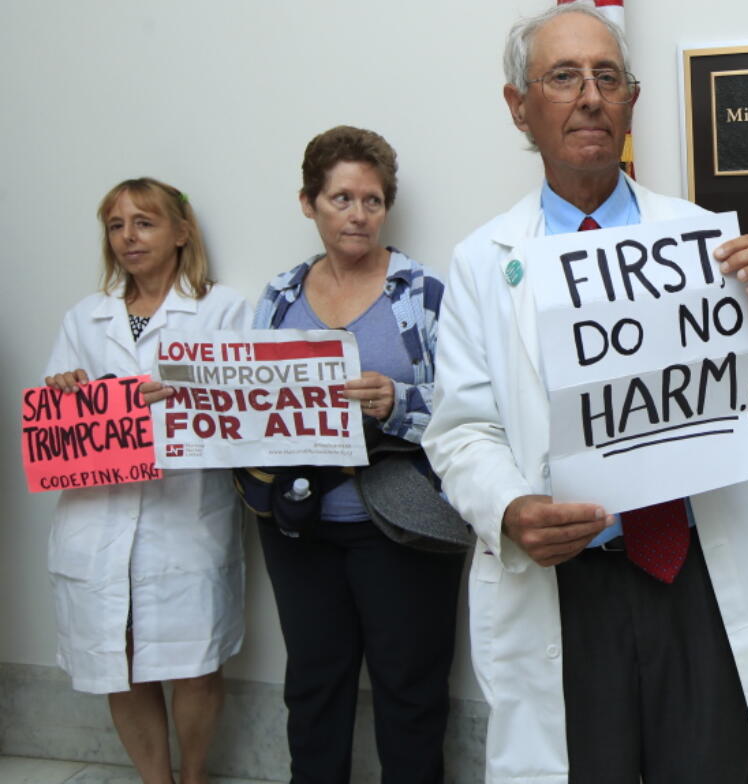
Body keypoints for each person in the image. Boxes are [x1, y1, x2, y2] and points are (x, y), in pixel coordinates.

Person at [421, 3, 748, 783]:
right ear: (519, 107)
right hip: (570, 586)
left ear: (632, 100)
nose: (590, 96)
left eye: (608, 76)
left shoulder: (705, 242)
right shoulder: (481, 263)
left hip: (699, 580)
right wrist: (508, 509)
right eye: (563, 77)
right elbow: (460, 430)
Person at [252, 125, 463, 784]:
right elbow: (248, 398)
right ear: (308, 202)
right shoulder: (279, 296)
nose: (358, 214)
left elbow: (470, 409)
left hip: (402, 523)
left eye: (372, 201)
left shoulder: (422, 293)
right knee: (312, 689)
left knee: (410, 692)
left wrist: (395, 399)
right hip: (299, 525)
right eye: (341, 198)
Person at [42, 178, 251, 784]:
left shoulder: (223, 310)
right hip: (99, 517)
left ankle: (194, 777)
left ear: (181, 233)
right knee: (120, 658)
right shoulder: (86, 317)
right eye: (116, 225)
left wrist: (178, 400)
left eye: (144, 222)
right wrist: (69, 396)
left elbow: (246, 415)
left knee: (194, 660)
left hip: (183, 514)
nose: (128, 237)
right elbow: (51, 423)